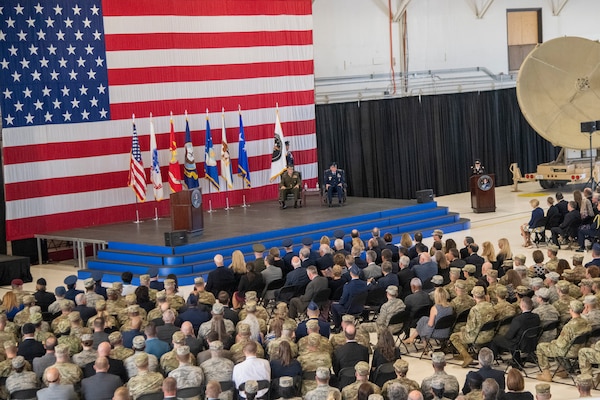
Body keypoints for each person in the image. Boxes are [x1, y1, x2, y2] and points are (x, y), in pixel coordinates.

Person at [536, 300, 592, 382]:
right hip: (580, 348)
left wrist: (554, 342)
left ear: (571, 310)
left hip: (569, 351)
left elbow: (561, 344)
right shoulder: (586, 322)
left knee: (540, 347)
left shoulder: (569, 326)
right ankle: (562, 370)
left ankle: (546, 374)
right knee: (554, 345)